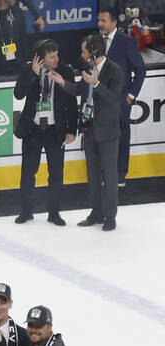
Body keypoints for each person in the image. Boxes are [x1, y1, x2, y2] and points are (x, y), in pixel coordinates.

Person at [58, 33, 123, 230]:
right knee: (93, 174)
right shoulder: (88, 68)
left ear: (94, 52)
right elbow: (79, 89)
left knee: (109, 175)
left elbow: (114, 100)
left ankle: (110, 217)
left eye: (84, 51)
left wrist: (96, 84)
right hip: (89, 128)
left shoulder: (115, 70)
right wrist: (62, 82)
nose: (81, 54)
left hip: (108, 131)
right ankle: (96, 213)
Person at [14, 40, 78, 226]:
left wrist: (72, 129)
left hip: (55, 130)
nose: (56, 59)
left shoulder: (64, 71)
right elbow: (18, 94)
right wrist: (33, 75)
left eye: (56, 55)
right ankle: (26, 211)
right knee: (28, 173)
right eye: (51, 57)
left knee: (56, 174)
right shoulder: (28, 70)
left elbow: (72, 102)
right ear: (40, 59)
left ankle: (54, 212)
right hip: (32, 130)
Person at [97, 5, 146, 184]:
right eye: (98, 20)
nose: (100, 24)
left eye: (103, 21)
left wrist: (131, 96)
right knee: (101, 135)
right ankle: (104, 173)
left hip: (120, 98)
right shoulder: (96, 41)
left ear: (114, 22)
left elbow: (140, 70)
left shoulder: (126, 41)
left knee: (121, 135)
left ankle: (120, 175)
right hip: (100, 97)